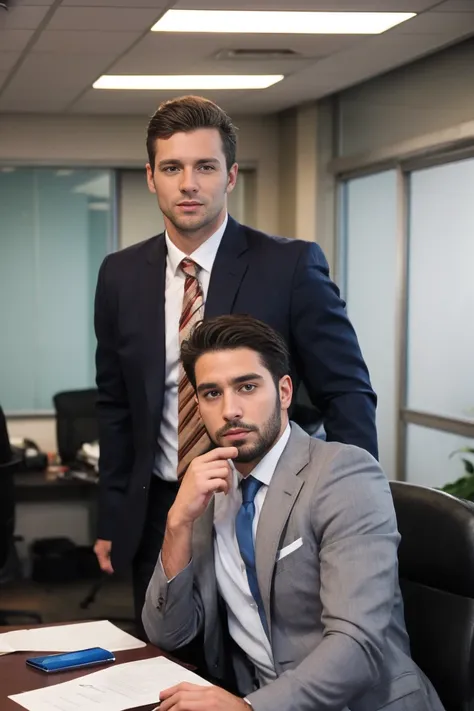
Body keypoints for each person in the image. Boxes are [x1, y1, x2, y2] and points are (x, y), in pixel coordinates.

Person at [93, 94, 378, 634]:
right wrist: (112, 515)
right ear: (151, 177)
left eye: (205, 166)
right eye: (172, 168)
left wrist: (356, 500)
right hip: (162, 506)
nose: (189, 183)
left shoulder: (290, 264)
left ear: (231, 177)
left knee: (269, 654)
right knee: (166, 655)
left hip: (266, 502)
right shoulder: (119, 275)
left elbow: (347, 392)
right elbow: (115, 404)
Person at [142, 314, 444, 711]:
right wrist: (177, 524)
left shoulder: (343, 475)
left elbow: (357, 645)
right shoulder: (207, 486)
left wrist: (249, 708)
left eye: (247, 387)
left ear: (284, 392)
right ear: (197, 405)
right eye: (212, 393)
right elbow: (169, 634)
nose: (230, 409)